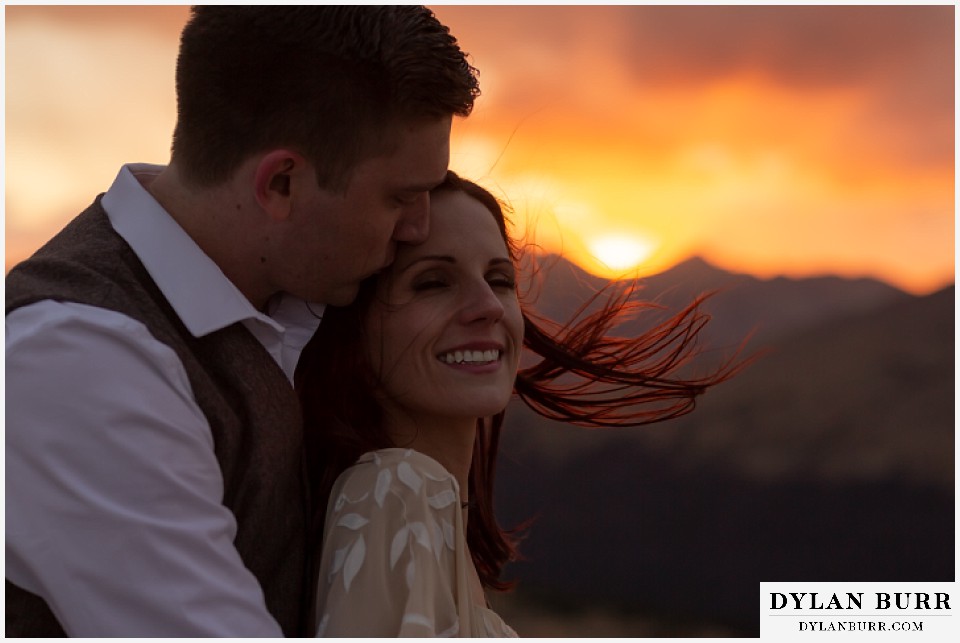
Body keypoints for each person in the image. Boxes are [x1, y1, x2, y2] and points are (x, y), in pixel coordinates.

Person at [5, 6, 478, 637]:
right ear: (280, 182)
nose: (419, 226)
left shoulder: (305, 298)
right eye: (399, 197)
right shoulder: (81, 359)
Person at [295, 172, 742, 636]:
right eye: (432, 282)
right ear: (353, 331)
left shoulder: (422, 509)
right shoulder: (395, 489)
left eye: (499, 279)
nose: (487, 305)